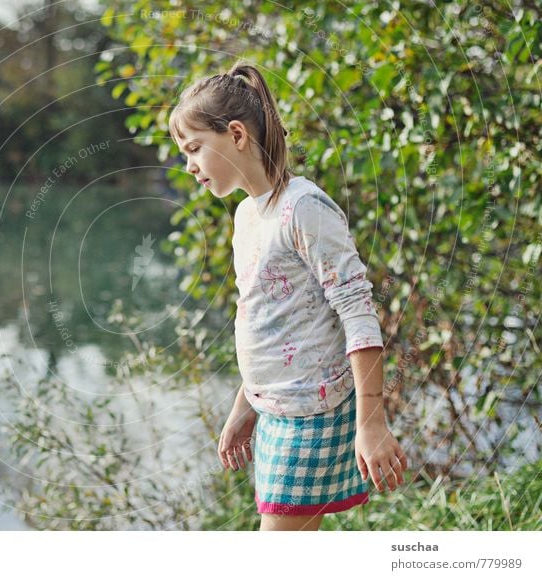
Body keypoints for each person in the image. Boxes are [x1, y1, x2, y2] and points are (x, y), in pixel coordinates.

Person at [168, 60, 408, 531]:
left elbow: (358, 314)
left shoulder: (304, 207)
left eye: (194, 148)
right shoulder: (246, 217)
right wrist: (246, 405)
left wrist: (372, 422)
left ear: (236, 134)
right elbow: (269, 324)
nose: (190, 165)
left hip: (312, 417)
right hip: (275, 414)